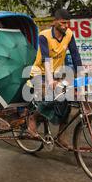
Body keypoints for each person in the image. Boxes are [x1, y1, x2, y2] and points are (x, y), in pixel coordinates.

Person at [27, 8, 83, 149]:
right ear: (55, 22)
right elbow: (46, 59)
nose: (66, 26)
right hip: (40, 72)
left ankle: (60, 136)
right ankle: (33, 117)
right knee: (50, 96)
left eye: (67, 23)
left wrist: (81, 75)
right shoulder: (44, 36)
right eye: (63, 23)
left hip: (57, 73)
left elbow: (75, 55)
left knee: (68, 100)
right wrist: (50, 80)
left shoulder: (69, 34)